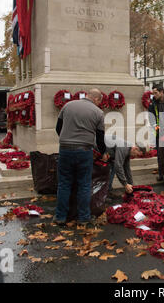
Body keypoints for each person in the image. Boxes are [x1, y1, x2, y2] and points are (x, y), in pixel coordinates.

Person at [53, 88, 108, 228]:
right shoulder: (98, 113)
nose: (99, 104)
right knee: (84, 184)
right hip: (84, 151)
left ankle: (60, 217)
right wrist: (103, 152)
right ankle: (83, 217)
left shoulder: (68, 105)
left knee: (64, 183)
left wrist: (67, 139)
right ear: (96, 99)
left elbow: (58, 127)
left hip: (65, 149)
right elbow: (100, 138)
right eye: (99, 101)